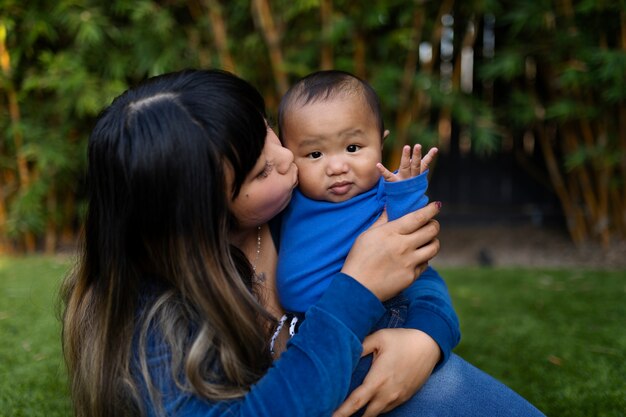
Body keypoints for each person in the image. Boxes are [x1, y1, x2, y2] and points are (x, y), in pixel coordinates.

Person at [60, 68, 545, 417]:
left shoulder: (294, 207)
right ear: (204, 216)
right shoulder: (157, 323)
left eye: (268, 131)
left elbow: (418, 277)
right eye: (262, 170)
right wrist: (356, 287)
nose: (289, 159)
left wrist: (425, 340)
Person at [275, 70, 448, 360]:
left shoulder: (384, 191)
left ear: (381, 143)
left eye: (353, 148)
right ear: (288, 155)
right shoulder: (290, 195)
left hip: (377, 315)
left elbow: (409, 229)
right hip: (307, 321)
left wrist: (407, 186)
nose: (337, 166)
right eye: (315, 154)